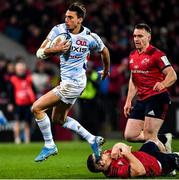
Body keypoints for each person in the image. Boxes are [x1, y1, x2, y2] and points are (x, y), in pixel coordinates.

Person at [31, 1, 110, 162]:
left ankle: (49, 145)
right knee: (58, 119)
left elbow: (104, 51)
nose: (66, 20)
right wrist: (55, 50)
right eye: (66, 16)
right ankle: (92, 139)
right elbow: (39, 53)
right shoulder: (58, 30)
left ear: (79, 19)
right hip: (71, 83)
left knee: (36, 108)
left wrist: (106, 70)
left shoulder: (89, 37)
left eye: (70, 17)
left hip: (72, 84)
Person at [123, 23, 177, 151]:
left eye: (140, 36)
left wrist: (163, 84)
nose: (136, 39)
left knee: (149, 136)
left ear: (149, 38)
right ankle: (162, 139)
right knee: (130, 135)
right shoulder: (132, 55)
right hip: (141, 100)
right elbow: (133, 79)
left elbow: (172, 75)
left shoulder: (157, 54)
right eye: (135, 36)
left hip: (157, 98)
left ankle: (170, 162)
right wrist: (128, 100)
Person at [87, 141, 179, 178]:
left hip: (144, 154)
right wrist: (127, 153)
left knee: (151, 142)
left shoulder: (109, 155)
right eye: (101, 155)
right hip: (155, 164)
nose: (103, 152)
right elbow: (140, 170)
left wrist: (117, 145)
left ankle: (166, 150)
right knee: (175, 159)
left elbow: (120, 145)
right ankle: (170, 164)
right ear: (101, 163)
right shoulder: (117, 171)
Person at [8, 60, 36, 144]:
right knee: (16, 122)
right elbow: (11, 92)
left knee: (27, 123)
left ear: (24, 69)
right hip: (17, 104)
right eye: (19, 68)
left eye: (22, 68)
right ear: (16, 69)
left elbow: (33, 91)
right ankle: (17, 139)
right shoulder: (13, 79)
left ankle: (27, 140)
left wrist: (33, 103)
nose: (20, 70)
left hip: (27, 104)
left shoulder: (29, 79)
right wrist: (11, 103)